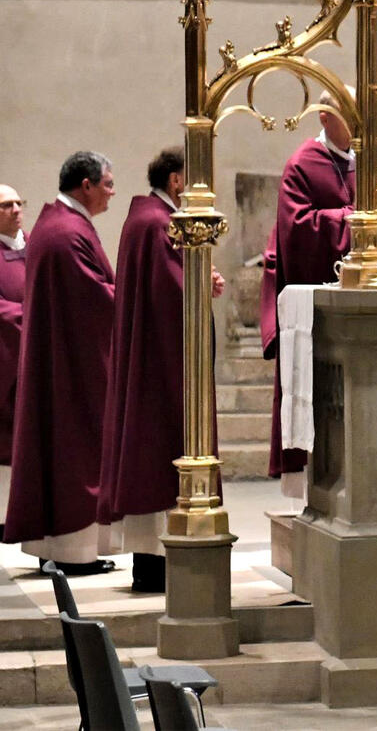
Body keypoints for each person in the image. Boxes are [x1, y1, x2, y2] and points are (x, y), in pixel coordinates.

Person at [97, 147, 224, 591]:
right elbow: (174, 292)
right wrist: (202, 281)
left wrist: (200, 275)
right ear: (175, 181)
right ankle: (156, 568)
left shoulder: (143, 217)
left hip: (150, 356)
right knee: (163, 454)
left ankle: (150, 566)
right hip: (165, 365)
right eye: (195, 180)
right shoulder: (160, 222)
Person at [4, 152, 117, 574]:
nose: (112, 192)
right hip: (72, 367)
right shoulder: (66, 232)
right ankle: (73, 552)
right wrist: (136, 302)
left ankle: (64, 549)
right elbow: (93, 298)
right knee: (75, 449)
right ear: (84, 185)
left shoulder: (56, 225)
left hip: (64, 361)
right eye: (107, 183)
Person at [263, 89, 357, 494]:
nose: (358, 124)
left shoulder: (370, 160)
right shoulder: (303, 164)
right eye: (350, 115)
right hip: (320, 304)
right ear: (324, 117)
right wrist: (354, 221)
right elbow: (297, 229)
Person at [0, 185, 26, 541]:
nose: (17, 209)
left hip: (33, 356)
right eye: (7, 205)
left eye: (19, 203)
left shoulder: (34, 244)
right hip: (6, 356)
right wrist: (29, 315)